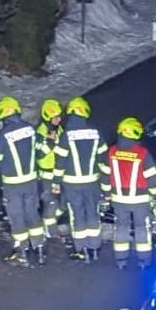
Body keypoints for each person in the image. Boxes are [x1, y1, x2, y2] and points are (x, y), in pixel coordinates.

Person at [0, 96, 46, 265]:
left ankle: (22, 254)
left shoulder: (2, 135)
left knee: (17, 218)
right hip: (32, 182)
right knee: (32, 214)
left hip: (13, 185)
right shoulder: (30, 129)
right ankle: (40, 249)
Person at [101, 117, 156, 270]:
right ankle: (144, 261)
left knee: (121, 228)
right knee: (142, 229)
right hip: (140, 199)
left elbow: (105, 175)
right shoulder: (142, 153)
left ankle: (121, 261)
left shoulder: (112, 151)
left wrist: (107, 194)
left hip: (119, 199)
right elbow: (152, 178)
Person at [53, 96, 108, 263]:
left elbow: (60, 161)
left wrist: (56, 181)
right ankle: (95, 248)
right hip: (92, 183)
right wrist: (105, 184)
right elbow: (103, 159)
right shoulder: (95, 132)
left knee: (77, 216)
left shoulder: (67, 135)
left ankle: (81, 250)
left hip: (72, 184)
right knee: (93, 214)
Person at [35, 98, 67, 246]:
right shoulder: (41, 131)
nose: (59, 119)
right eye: (56, 116)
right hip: (47, 174)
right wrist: (50, 142)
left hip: (59, 172)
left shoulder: (58, 128)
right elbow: (39, 154)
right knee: (51, 202)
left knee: (63, 202)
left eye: (59, 116)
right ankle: (50, 231)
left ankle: (48, 223)